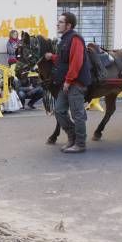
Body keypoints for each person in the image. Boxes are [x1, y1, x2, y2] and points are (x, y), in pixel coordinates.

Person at [44, 12, 92, 153]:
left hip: (75, 84)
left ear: (68, 25)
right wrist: (52, 57)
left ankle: (80, 144)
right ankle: (72, 138)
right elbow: (63, 59)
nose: (57, 24)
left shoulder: (75, 39)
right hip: (67, 83)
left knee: (77, 114)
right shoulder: (65, 39)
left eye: (60, 22)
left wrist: (68, 81)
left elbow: (76, 62)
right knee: (59, 111)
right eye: (58, 21)